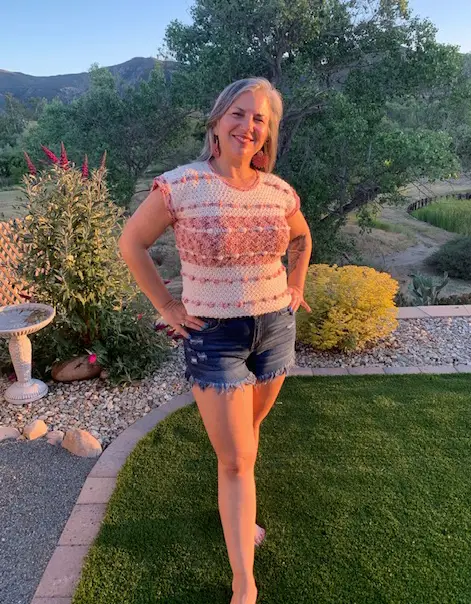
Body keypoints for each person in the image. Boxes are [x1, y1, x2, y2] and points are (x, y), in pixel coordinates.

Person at [118, 77, 312, 604]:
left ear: (267, 133)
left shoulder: (277, 190)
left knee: (246, 438)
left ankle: (240, 514)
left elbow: (302, 235)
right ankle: (243, 583)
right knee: (235, 459)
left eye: (259, 119)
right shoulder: (181, 185)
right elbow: (131, 243)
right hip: (214, 336)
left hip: (274, 328)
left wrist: (295, 284)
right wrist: (167, 306)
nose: (248, 126)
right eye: (239, 114)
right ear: (217, 120)